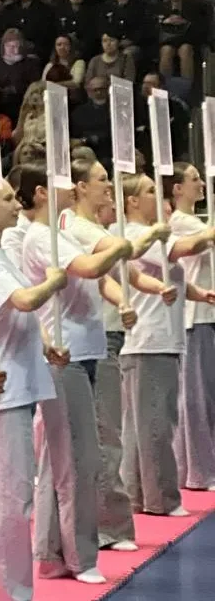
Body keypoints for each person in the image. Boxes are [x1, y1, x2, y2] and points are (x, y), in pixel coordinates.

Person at [14, 162, 133, 585]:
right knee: (78, 460)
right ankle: (81, 556)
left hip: (83, 351)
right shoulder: (40, 236)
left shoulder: (60, 232)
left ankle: (51, 552)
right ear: (42, 192)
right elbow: (89, 268)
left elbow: (94, 277)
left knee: (60, 458)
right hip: (66, 357)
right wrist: (121, 246)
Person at [0, 177, 68, 601]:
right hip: (4, 390)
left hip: (16, 382)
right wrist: (53, 282)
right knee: (9, 501)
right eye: (6, 198)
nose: (16, 203)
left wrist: (44, 341)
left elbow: (16, 312)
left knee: (0, 503)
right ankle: (12, 594)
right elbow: (23, 300)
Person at [58, 158, 172, 551]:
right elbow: (122, 253)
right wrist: (153, 232)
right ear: (80, 187)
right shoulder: (76, 226)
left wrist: (126, 299)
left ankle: (104, 524)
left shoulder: (92, 227)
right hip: (88, 341)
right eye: (102, 180)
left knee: (105, 434)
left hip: (101, 335)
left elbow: (112, 275)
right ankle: (109, 526)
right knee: (104, 435)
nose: (109, 186)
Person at [118, 172, 212, 516]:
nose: (157, 195)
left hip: (157, 338)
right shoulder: (137, 233)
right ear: (132, 201)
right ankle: (162, 498)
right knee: (157, 424)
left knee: (142, 426)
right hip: (150, 339)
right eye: (149, 191)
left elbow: (171, 274)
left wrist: (200, 293)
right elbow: (184, 249)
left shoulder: (150, 232)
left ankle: (139, 495)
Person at [164, 163, 215, 491]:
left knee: (206, 395)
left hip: (207, 311)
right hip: (195, 317)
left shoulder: (196, 222)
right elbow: (199, 242)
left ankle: (201, 465)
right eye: (194, 179)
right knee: (196, 397)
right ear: (177, 189)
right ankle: (198, 470)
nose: (201, 184)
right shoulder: (180, 222)